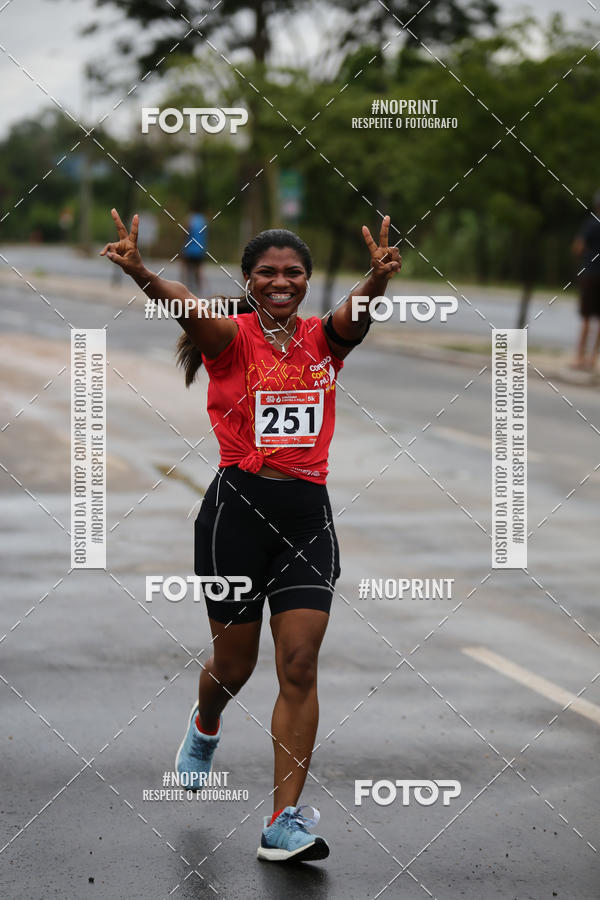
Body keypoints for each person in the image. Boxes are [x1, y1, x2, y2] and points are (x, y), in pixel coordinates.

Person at [100, 208, 401, 862]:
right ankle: (205, 725)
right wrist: (144, 275)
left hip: (307, 522)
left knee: (299, 662)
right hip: (235, 519)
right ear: (248, 279)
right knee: (235, 665)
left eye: (294, 273)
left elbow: (356, 314)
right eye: (268, 273)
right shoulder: (230, 339)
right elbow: (185, 307)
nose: (281, 281)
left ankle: (283, 821)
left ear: (308, 281)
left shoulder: (325, 340)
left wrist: (376, 282)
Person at [571, 190, 600, 371]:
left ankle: (579, 357)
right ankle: (593, 359)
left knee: (586, 318)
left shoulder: (591, 224)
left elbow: (578, 247)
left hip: (590, 274)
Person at [181, 209, 208, 295]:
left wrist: (183, 248)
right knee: (198, 272)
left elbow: (186, 234)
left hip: (190, 249)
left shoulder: (190, 219)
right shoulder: (203, 220)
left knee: (187, 271)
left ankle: (186, 290)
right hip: (200, 250)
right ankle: (199, 291)